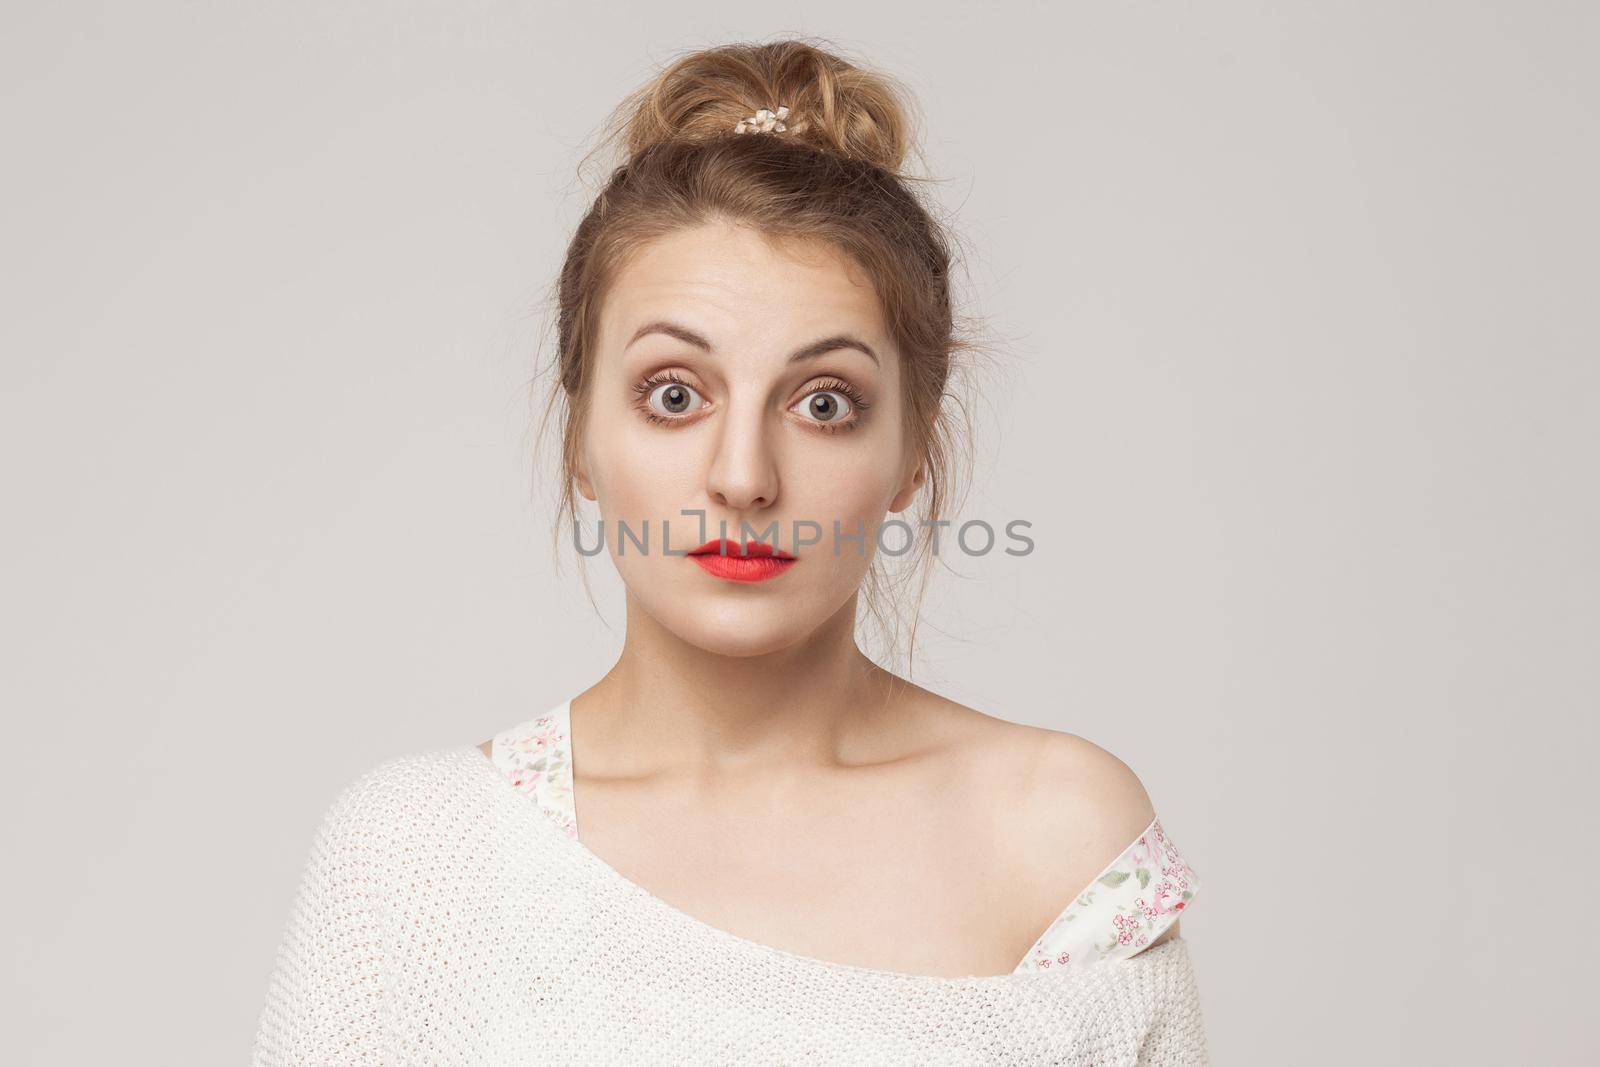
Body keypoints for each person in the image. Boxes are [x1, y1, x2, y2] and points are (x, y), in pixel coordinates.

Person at [251, 37, 1208, 1064]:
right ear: (582, 438)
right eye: (674, 395)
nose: (744, 475)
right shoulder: (417, 854)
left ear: (910, 454)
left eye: (823, 403)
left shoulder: (1054, 839)